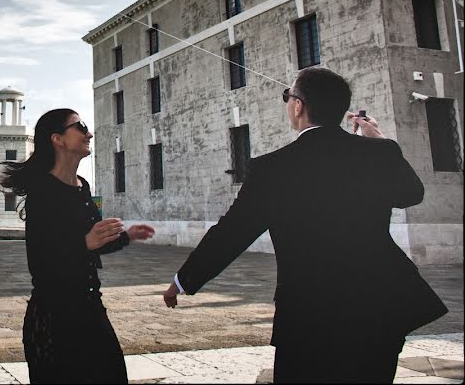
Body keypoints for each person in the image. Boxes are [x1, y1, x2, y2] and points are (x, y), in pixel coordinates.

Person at [161, 67, 448, 384]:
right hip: (380, 306)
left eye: (287, 97)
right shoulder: (380, 153)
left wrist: (184, 279)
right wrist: (378, 140)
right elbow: (412, 194)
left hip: (309, 312)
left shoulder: (272, 168)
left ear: (298, 105)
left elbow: (232, 233)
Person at [0, 108, 155, 384]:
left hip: (91, 309)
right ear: (57, 139)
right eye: (80, 127)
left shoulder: (82, 186)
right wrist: (84, 242)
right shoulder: (42, 192)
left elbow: (94, 243)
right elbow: (40, 262)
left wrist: (127, 236)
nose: (89, 133)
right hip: (54, 319)